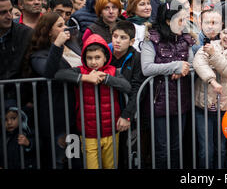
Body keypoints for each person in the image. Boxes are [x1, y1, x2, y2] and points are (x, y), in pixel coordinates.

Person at [54, 34, 131, 169]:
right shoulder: (80, 71)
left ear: (105, 57)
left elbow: (127, 86)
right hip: (88, 133)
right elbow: (59, 74)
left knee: (111, 166)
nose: (93, 62)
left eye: (97, 57)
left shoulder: (112, 71)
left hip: (111, 131)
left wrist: (107, 79)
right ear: (84, 58)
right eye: (89, 58)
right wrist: (84, 78)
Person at [140, 0, 194, 169]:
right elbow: (147, 68)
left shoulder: (186, 38)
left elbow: (191, 64)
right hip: (159, 102)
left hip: (182, 101)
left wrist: (182, 69)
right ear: (168, 20)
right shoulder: (152, 38)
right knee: (162, 149)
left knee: (176, 147)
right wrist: (175, 66)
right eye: (181, 19)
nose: (184, 23)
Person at [28, 12, 81, 169]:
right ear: (48, 31)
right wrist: (57, 45)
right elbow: (48, 72)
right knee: (60, 160)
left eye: (64, 24)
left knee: (75, 158)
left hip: (75, 113)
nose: (65, 28)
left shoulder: (72, 44)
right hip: (57, 117)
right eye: (59, 26)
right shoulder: (39, 54)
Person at [193, 25, 227, 169]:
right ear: (220, 34)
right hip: (203, 105)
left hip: (224, 108)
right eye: (225, 32)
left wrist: (213, 55)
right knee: (205, 149)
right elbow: (198, 63)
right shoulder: (211, 45)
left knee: (221, 148)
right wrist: (212, 80)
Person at [108, 20, 146, 169]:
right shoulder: (104, 53)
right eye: (115, 36)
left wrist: (127, 115)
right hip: (107, 111)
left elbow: (137, 89)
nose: (117, 41)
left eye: (122, 38)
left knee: (129, 153)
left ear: (131, 42)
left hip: (128, 113)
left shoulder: (136, 57)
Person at [0, 0, 33, 85]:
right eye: (3, 12)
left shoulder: (26, 34)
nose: (9, 16)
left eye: (10, 11)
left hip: (18, 94)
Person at [0, 99, 35, 169]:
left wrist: (29, 143)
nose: (9, 122)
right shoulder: (2, 136)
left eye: (13, 118)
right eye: (5, 119)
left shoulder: (26, 131)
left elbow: (40, 145)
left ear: (21, 117)